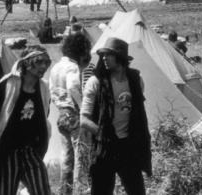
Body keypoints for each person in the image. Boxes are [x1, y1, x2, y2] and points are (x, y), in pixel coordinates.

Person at [80, 38, 151, 195]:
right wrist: (103, 134)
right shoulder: (96, 82)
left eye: (108, 55)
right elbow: (83, 120)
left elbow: (138, 112)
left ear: (120, 57)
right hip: (104, 148)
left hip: (128, 146)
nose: (104, 58)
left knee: (137, 191)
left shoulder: (135, 81)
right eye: (102, 55)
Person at [0, 46, 53, 195]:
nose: (44, 66)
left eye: (47, 62)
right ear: (26, 63)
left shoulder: (43, 89)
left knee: (42, 191)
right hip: (7, 152)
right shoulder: (5, 86)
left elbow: (43, 122)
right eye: (39, 62)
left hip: (30, 152)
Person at [50, 33, 92, 195]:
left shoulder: (55, 67)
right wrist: (83, 109)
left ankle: (65, 190)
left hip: (61, 114)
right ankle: (81, 190)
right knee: (81, 156)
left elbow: (52, 91)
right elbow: (73, 86)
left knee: (66, 157)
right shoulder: (72, 67)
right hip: (74, 114)